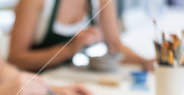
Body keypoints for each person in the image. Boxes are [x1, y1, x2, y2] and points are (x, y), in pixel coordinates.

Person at [9, 0, 155, 73]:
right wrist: (69, 49)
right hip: (34, 82)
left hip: (71, 80)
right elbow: (15, 58)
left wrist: (145, 62)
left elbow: (116, 46)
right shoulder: (35, 2)